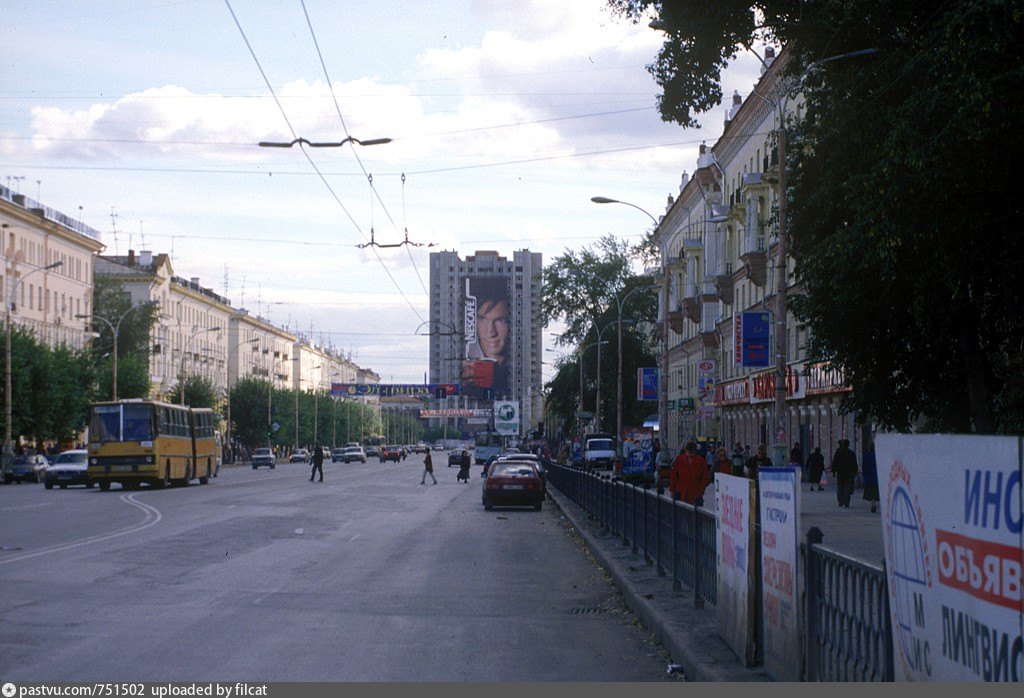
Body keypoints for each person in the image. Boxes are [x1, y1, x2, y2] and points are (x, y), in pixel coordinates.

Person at [461, 280, 510, 397]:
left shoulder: (516, 363)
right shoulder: (464, 358)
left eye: (500, 320)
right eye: (482, 319)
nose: (491, 332)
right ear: (473, 321)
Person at [668, 441, 711, 506]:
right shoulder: (680, 459)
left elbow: (705, 478)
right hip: (681, 492)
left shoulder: (701, 461)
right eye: (688, 452)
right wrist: (672, 490)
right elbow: (674, 475)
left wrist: (701, 490)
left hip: (695, 493)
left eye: (691, 452)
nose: (690, 455)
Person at [831, 438, 858, 508]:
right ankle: (846, 502)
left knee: (840, 486)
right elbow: (854, 463)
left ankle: (840, 501)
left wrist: (834, 471)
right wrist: (855, 472)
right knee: (847, 487)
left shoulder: (838, 452)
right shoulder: (851, 453)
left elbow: (834, 462)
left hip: (840, 472)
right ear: (848, 445)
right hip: (849, 472)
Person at [861, 439, 879, 513]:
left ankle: (873, 504)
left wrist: (864, 475)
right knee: (875, 491)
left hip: (869, 476)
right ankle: (873, 504)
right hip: (877, 477)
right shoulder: (878, 456)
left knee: (871, 491)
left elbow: (864, 466)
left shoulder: (866, 455)